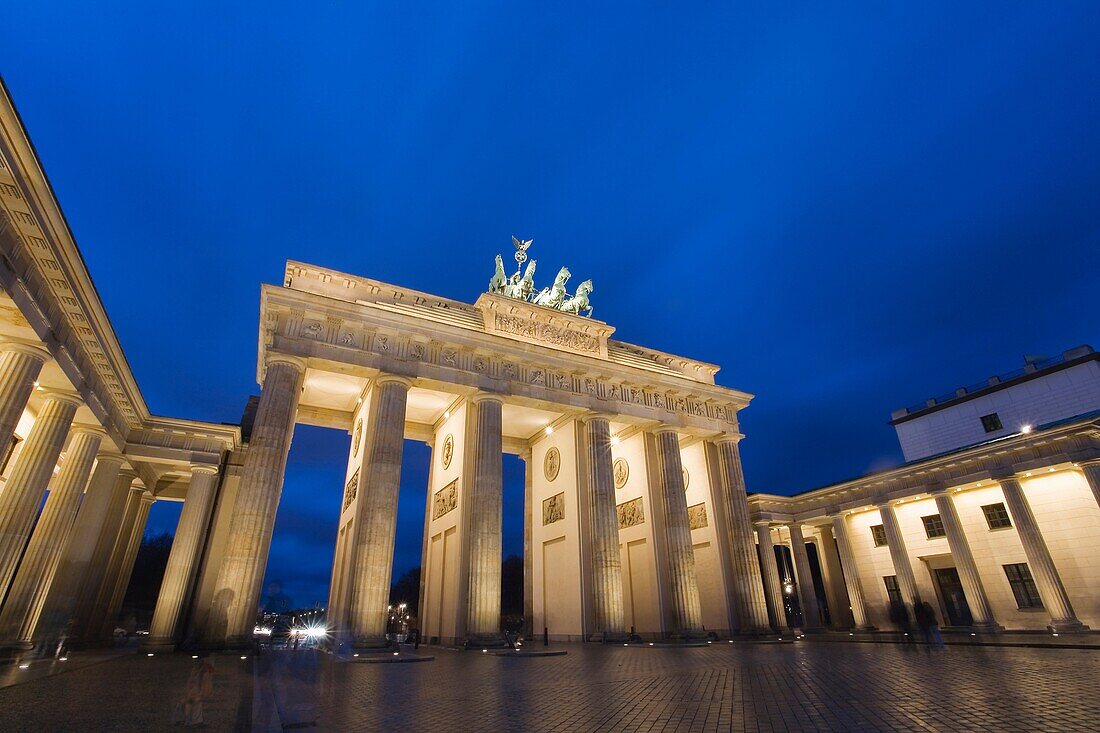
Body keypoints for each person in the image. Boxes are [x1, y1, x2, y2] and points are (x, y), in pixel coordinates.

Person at [174, 653, 215, 728]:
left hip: (200, 664)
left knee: (193, 696)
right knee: (195, 697)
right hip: (200, 664)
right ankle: (193, 720)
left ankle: (190, 719)